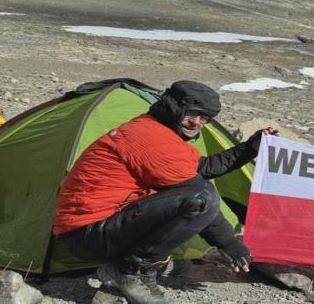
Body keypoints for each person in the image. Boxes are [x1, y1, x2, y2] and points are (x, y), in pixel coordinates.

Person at [53, 81, 278, 304]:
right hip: (87, 234)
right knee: (201, 197)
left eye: (205, 118)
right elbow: (198, 196)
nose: (197, 123)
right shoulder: (147, 137)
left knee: (198, 193)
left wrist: (250, 148)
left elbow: (205, 167)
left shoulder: (159, 132)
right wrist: (230, 243)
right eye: (192, 113)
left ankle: (130, 269)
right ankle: (131, 271)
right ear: (174, 107)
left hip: (98, 227)